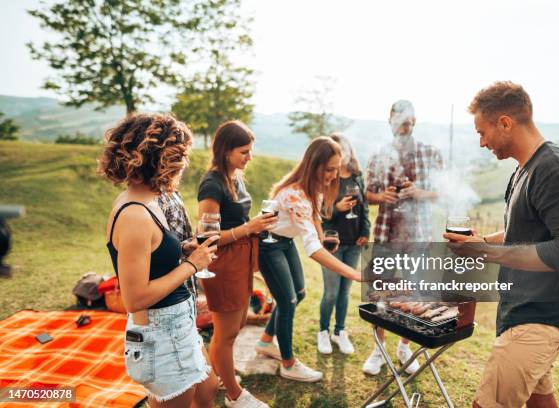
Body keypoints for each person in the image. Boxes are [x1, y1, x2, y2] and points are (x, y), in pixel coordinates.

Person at [444, 81, 559, 408]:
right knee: (540, 401)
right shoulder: (525, 171)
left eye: (482, 132)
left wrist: (484, 252)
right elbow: (523, 232)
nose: (482, 143)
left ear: (505, 122)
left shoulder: (557, 170)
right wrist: (481, 241)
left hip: (541, 316)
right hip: (526, 311)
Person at [99, 113, 219, 407]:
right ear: (163, 161)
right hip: (161, 337)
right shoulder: (134, 215)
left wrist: (180, 250)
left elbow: (151, 256)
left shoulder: (147, 201)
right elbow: (135, 297)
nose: (184, 166)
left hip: (177, 325)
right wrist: (193, 265)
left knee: (208, 389)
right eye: (181, 157)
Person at [254, 136, 362, 382]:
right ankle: (289, 364)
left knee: (298, 294)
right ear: (315, 166)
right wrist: (354, 274)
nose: (335, 175)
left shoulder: (314, 189)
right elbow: (312, 250)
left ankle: (265, 341)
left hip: (285, 242)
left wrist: (323, 238)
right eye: (330, 169)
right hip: (269, 245)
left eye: (337, 168)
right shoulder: (294, 195)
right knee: (288, 301)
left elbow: (314, 218)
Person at [197, 121, 276, 408]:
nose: (249, 157)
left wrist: (257, 225)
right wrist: (248, 227)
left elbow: (236, 221)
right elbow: (207, 236)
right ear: (225, 151)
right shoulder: (212, 184)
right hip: (223, 264)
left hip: (242, 259)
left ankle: (216, 373)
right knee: (226, 332)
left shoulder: (235, 177)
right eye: (244, 151)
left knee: (237, 324)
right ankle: (233, 394)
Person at [362, 100, 444, 375]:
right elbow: (366, 194)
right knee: (381, 294)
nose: (403, 128)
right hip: (386, 236)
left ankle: (404, 346)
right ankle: (378, 350)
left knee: (411, 294)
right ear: (390, 122)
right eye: (398, 123)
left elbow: (442, 192)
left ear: (414, 122)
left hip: (418, 236)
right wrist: (380, 196)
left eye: (407, 123)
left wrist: (418, 193)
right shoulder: (378, 154)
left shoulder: (429, 153)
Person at [317, 133, 370, 355]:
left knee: (345, 292)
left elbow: (364, 207)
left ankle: (340, 331)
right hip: (333, 244)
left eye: (345, 149)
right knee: (331, 292)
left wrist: (365, 230)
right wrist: (337, 210)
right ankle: (323, 332)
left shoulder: (357, 176)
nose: (342, 154)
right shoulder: (328, 178)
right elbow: (319, 216)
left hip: (354, 243)